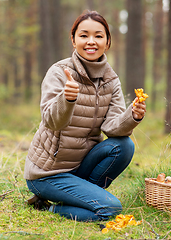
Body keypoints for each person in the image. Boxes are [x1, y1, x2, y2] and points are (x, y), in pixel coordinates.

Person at [24, 10, 146, 222]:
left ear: (107, 42)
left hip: (79, 167)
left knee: (125, 146)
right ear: (73, 40)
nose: (91, 41)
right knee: (111, 209)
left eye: (98, 36)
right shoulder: (59, 72)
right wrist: (67, 99)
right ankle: (47, 208)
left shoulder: (111, 80)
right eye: (84, 35)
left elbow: (112, 128)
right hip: (47, 174)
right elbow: (51, 122)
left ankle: (75, 199)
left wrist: (132, 116)